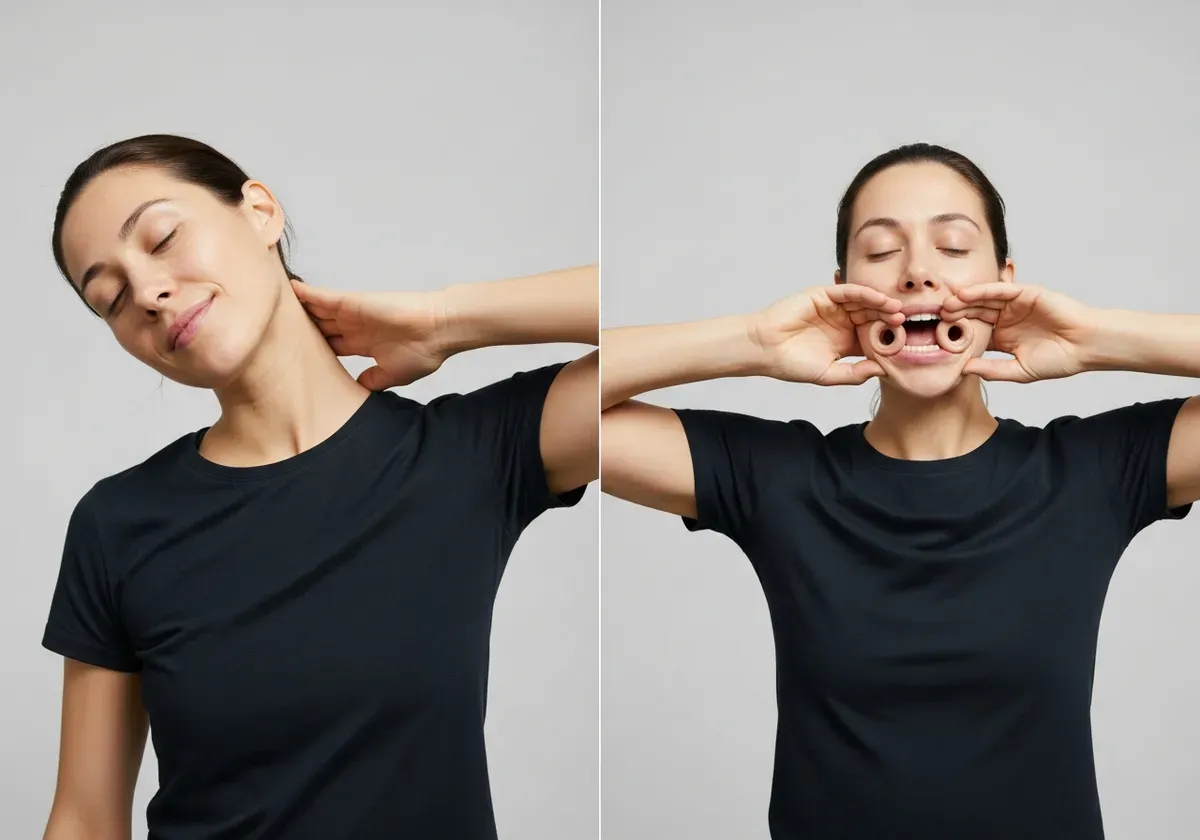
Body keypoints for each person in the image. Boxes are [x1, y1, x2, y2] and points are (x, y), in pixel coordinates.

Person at [600, 143, 1200, 839]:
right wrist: (759, 340)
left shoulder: (1094, 473)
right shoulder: (777, 478)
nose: (918, 273)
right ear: (841, 290)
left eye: (953, 246)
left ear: (1006, 281)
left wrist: (1093, 337)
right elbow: (563, 415)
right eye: (881, 251)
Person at [41, 134, 598, 840]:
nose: (147, 294)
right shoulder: (117, 523)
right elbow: (85, 820)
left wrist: (444, 320)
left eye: (163, 237)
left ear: (259, 211)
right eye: (111, 298)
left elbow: (667, 311)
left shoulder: (469, 455)